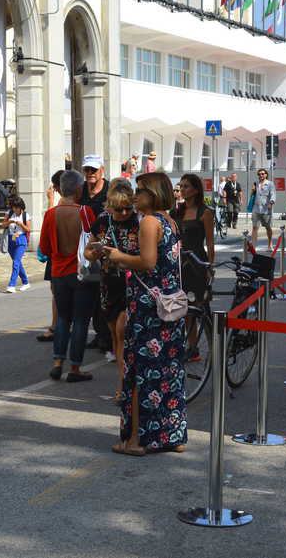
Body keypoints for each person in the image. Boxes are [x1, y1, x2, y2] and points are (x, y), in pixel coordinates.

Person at [104, 172, 187, 456]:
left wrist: (117, 256)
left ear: (153, 194)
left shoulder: (149, 222)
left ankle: (135, 441)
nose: (134, 196)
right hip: (170, 305)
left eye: (140, 191)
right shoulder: (169, 220)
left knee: (140, 373)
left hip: (149, 308)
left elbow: (147, 262)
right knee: (170, 371)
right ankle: (173, 435)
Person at [85, 179, 139, 400]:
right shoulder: (102, 222)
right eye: (119, 209)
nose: (124, 212)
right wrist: (95, 253)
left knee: (122, 330)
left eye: (128, 207)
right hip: (109, 284)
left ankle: (127, 386)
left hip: (133, 284)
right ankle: (123, 382)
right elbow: (88, 251)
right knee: (116, 339)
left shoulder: (139, 222)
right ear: (109, 206)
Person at [39, 170, 95, 382]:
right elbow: (94, 240)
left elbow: (44, 248)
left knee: (63, 318)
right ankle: (75, 368)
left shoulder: (51, 214)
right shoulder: (85, 212)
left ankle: (57, 362)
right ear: (78, 189)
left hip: (58, 273)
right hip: (81, 273)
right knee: (80, 321)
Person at [80, 155, 112, 352]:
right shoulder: (81, 191)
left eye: (94, 170)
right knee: (91, 293)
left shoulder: (109, 190)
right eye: (87, 170)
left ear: (102, 170)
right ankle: (99, 334)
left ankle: (107, 337)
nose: (90, 174)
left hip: (106, 247)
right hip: (87, 247)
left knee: (105, 294)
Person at [173, 174, 215, 299]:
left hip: (197, 260)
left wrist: (210, 267)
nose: (182, 190)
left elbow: (210, 243)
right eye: (181, 186)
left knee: (197, 301)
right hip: (178, 261)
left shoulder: (205, 212)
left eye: (186, 186)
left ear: (196, 190)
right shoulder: (176, 211)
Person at [37, 170, 64, 343]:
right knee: (56, 292)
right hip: (56, 253)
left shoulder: (64, 202)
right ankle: (56, 326)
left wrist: (50, 201)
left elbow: (50, 222)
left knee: (59, 292)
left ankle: (58, 327)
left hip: (59, 254)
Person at [2, 196, 31, 293]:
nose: (14, 209)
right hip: (11, 240)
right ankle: (26, 282)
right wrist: (9, 221)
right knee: (17, 262)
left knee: (16, 262)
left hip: (21, 240)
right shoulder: (9, 213)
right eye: (13, 207)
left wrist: (20, 224)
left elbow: (28, 229)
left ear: (21, 207)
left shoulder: (25, 215)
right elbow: (3, 225)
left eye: (16, 207)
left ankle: (11, 285)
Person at [250, 168, 276, 251]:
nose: (261, 175)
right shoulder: (256, 184)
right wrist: (253, 190)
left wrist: (271, 203)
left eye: (262, 174)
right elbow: (252, 196)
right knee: (254, 227)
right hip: (256, 208)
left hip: (266, 209)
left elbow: (273, 194)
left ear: (266, 175)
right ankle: (253, 246)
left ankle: (270, 244)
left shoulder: (270, 184)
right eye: (259, 174)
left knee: (268, 227)